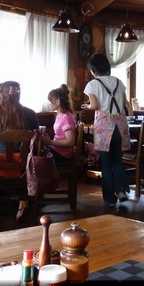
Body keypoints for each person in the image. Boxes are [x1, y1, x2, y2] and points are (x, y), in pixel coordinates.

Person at [0, 80, 39, 222]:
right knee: (24, 167)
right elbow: (36, 139)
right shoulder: (31, 114)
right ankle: (23, 201)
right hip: (24, 167)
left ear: (1, 95)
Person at [82, 52, 132, 207]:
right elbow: (125, 103)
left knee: (105, 163)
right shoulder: (118, 81)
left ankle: (110, 199)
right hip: (120, 126)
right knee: (117, 160)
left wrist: (87, 106)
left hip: (104, 127)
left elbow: (95, 105)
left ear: (93, 70)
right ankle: (121, 191)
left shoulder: (92, 84)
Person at [42, 84, 77, 166]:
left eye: (50, 102)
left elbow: (71, 141)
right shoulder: (59, 116)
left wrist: (50, 142)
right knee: (36, 149)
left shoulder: (66, 117)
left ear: (58, 102)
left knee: (36, 154)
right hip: (56, 150)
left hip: (63, 154)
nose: (49, 104)